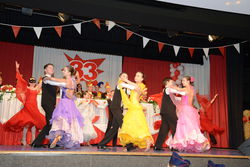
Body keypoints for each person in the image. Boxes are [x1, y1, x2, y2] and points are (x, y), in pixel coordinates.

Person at [4, 61, 46, 145]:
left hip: (34, 107)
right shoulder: (26, 88)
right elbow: (20, 79)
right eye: (31, 81)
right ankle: (23, 140)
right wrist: (17, 69)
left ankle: (33, 140)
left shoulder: (37, 88)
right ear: (29, 82)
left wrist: (46, 73)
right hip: (27, 107)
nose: (32, 83)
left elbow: (43, 81)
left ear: (35, 82)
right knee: (26, 124)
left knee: (34, 124)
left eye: (33, 81)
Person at [166, 76, 210, 152]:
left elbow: (179, 90)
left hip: (186, 110)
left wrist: (171, 86)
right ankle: (191, 143)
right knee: (189, 127)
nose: (182, 82)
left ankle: (203, 142)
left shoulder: (187, 89)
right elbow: (182, 96)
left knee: (186, 127)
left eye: (184, 81)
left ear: (188, 81)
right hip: (190, 110)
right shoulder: (192, 89)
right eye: (182, 81)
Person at [46, 65, 84, 148]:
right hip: (68, 103)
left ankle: (59, 137)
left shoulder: (68, 80)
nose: (63, 71)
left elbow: (56, 81)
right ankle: (61, 138)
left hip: (65, 103)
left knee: (61, 121)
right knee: (66, 121)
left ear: (69, 73)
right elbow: (75, 82)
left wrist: (48, 78)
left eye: (65, 70)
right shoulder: (72, 80)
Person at [98, 72, 134, 150]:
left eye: (127, 76)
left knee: (114, 128)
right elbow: (133, 87)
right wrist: (136, 85)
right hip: (115, 107)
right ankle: (129, 145)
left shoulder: (124, 88)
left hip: (118, 108)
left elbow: (132, 92)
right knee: (123, 124)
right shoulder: (120, 85)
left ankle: (101, 144)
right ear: (120, 78)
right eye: (124, 76)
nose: (125, 77)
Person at [119, 72, 154, 151]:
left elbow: (135, 87)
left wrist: (126, 81)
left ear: (142, 79)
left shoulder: (141, 85)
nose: (136, 77)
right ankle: (130, 146)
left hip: (136, 108)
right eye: (135, 75)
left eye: (138, 76)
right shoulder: (134, 85)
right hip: (132, 107)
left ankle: (148, 141)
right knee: (132, 127)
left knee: (139, 126)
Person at [154, 77, 185, 151]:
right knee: (175, 127)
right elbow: (182, 92)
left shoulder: (169, 91)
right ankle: (174, 146)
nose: (173, 83)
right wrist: (186, 90)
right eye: (172, 82)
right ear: (167, 83)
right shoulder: (168, 89)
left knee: (164, 129)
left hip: (165, 112)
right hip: (169, 112)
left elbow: (175, 99)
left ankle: (157, 146)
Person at [31, 63, 57, 147]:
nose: (52, 69)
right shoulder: (45, 78)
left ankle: (36, 143)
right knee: (53, 121)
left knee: (49, 123)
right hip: (47, 103)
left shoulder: (52, 79)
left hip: (50, 103)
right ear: (45, 70)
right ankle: (53, 142)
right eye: (50, 67)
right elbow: (48, 81)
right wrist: (65, 82)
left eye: (53, 68)